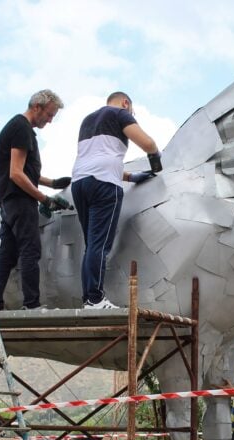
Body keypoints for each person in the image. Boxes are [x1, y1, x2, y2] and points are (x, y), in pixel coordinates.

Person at [71, 91, 162, 309]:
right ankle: (95, 299)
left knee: (91, 245)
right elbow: (147, 142)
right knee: (99, 245)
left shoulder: (88, 120)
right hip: (104, 185)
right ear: (125, 102)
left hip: (80, 183)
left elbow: (97, 158)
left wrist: (130, 176)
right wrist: (155, 156)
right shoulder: (121, 113)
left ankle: (88, 299)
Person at [0, 89, 72, 311]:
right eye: (50, 114)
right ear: (37, 107)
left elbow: (23, 170)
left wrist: (53, 183)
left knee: (7, 254)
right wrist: (45, 199)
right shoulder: (21, 128)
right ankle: (32, 304)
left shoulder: (16, 127)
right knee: (30, 250)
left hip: (8, 203)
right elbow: (16, 174)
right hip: (20, 201)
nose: (50, 120)